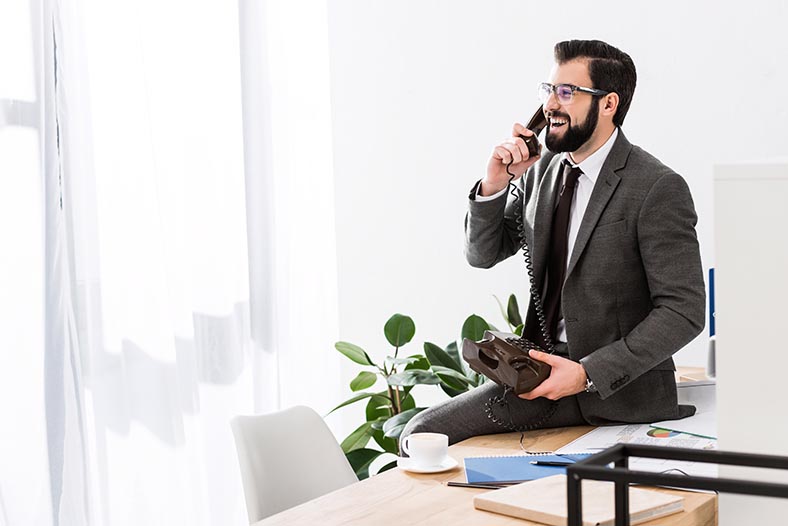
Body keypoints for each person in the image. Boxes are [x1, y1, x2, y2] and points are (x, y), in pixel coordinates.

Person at [402, 39, 705, 445]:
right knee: (424, 434)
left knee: (425, 432)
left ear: (608, 104)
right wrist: (494, 185)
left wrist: (586, 373)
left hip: (610, 390)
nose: (550, 105)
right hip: (539, 371)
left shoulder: (655, 187)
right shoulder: (541, 171)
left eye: (567, 92)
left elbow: (683, 310)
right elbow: (482, 254)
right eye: (548, 90)